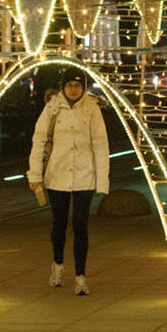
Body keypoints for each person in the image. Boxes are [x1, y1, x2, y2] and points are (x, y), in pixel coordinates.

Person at [27, 66, 109, 295]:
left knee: (81, 225)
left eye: (78, 85)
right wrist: (35, 174)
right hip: (58, 174)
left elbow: (100, 145)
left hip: (85, 175)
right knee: (59, 223)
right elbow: (39, 141)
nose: (74, 90)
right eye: (70, 85)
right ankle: (57, 264)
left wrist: (102, 181)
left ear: (84, 88)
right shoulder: (52, 107)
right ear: (63, 87)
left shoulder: (92, 108)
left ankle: (80, 276)